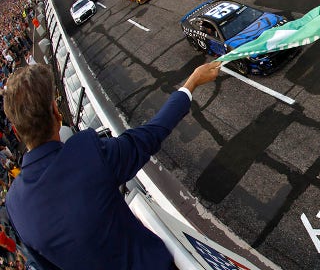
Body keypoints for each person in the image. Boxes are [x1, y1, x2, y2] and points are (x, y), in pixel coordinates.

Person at [3, 62, 221, 269]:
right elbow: (150, 135)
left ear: (16, 128)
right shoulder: (86, 153)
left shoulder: (14, 204)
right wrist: (191, 83)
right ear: (55, 111)